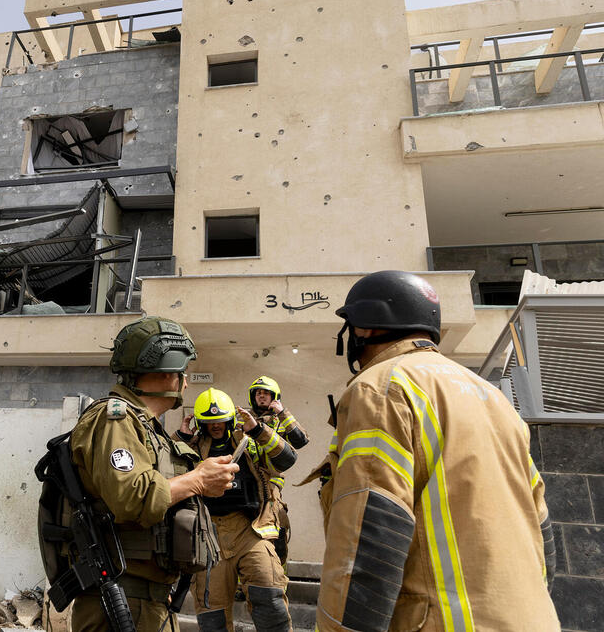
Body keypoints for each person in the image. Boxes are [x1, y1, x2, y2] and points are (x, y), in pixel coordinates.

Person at [316, 270, 559, 631]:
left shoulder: (381, 388)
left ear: (364, 329)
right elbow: (541, 526)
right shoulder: (492, 397)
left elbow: (370, 532)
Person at [68, 316, 237, 632]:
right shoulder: (114, 419)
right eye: (182, 372)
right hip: (122, 598)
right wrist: (198, 479)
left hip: (148, 599)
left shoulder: (147, 427)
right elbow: (132, 497)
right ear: (169, 374)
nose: (186, 381)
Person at [176, 387, 296, 632]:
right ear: (201, 423)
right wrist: (181, 439)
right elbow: (169, 475)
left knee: (269, 599)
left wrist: (258, 430)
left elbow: (287, 459)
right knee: (213, 616)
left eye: (220, 420)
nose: (216, 426)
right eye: (210, 422)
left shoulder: (248, 442)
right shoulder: (192, 448)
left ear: (230, 419)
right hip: (208, 536)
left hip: (250, 531)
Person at [246, 375, 309, 563]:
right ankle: (243, 589)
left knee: (278, 535)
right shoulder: (244, 419)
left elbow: (300, 440)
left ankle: (279, 584)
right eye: (258, 393)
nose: (262, 397)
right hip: (248, 487)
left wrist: (283, 413)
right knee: (248, 536)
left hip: (273, 489)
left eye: (266, 393)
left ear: (275, 397)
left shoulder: (282, 420)